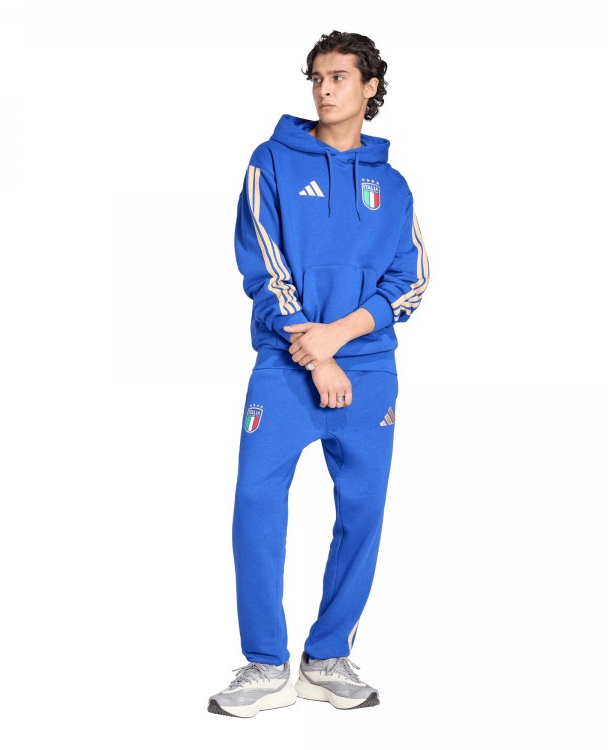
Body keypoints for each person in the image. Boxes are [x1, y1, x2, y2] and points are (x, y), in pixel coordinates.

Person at [207, 30, 430, 718]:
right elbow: (264, 266)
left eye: (338, 78)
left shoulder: (393, 185)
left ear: (369, 87)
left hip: (370, 372)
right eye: (316, 78)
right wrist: (318, 352)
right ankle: (264, 663)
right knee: (255, 504)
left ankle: (327, 657)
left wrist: (341, 337)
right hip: (287, 365)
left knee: (362, 512)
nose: (324, 90)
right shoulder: (271, 161)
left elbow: (412, 280)